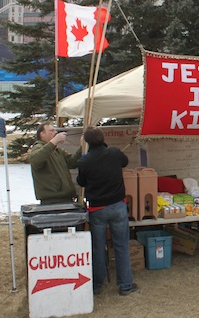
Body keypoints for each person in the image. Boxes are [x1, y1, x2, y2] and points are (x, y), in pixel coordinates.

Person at [76, 126, 138, 296]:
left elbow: (81, 182)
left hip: (97, 209)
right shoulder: (114, 153)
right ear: (102, 138)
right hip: (118, 206)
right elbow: (124, 162)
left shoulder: (84, 161)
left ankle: (96, 285)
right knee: (121, 245)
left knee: (98, 247)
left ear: (87, 142)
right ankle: (125, 285)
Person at [29, 122, 82, 204]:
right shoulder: (38, 148)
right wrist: (54, 141)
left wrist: (82, 147)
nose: (55, 132)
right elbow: (36, 161)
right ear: (42, 134)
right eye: (51, 131)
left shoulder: (57, 150)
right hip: (51, 201)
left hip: (66, 199)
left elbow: (72, 162)